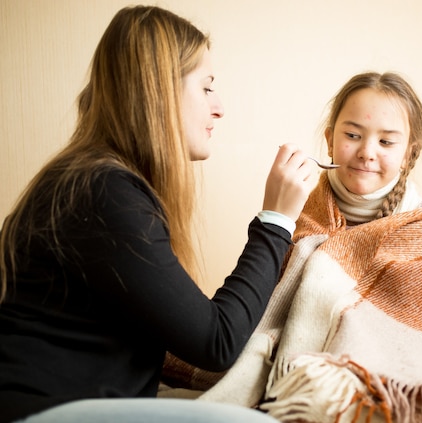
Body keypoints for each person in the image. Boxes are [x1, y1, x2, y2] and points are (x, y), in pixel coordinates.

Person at [0, 5, 316, 423]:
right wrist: (276, 221)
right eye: (206, 88)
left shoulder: (93, 180)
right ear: (158, 90)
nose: (219, 107)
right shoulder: (103, 191)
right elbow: (216, 342)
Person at [172, 72, 422, 423]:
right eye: (353, 135)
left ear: (409, 153)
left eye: (386, 143)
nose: (367, 152)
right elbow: (247, 318)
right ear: (329, 139)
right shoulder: (292, 216)